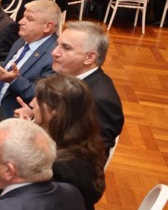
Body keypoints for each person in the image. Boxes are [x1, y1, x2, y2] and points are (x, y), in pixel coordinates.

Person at [18, 75, 107, 210]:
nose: (32, 104)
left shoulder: (58, 166)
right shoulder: (82, 141)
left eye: (38, 100)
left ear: (55, 111)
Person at [41, 21, 123, 152]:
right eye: (57, 45)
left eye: (66, 48)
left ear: (89, 57)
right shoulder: (67, 73)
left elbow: (93, 155)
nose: (54, 53)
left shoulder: (100, 100)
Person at [0, 0, 59, 118]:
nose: (20, 22)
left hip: (11, 116)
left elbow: (43, 96)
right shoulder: (22, 40)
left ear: (48, 26)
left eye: (29, 19)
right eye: (23, 17)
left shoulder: (55, 56)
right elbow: (13, 69)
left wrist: (14, 81)